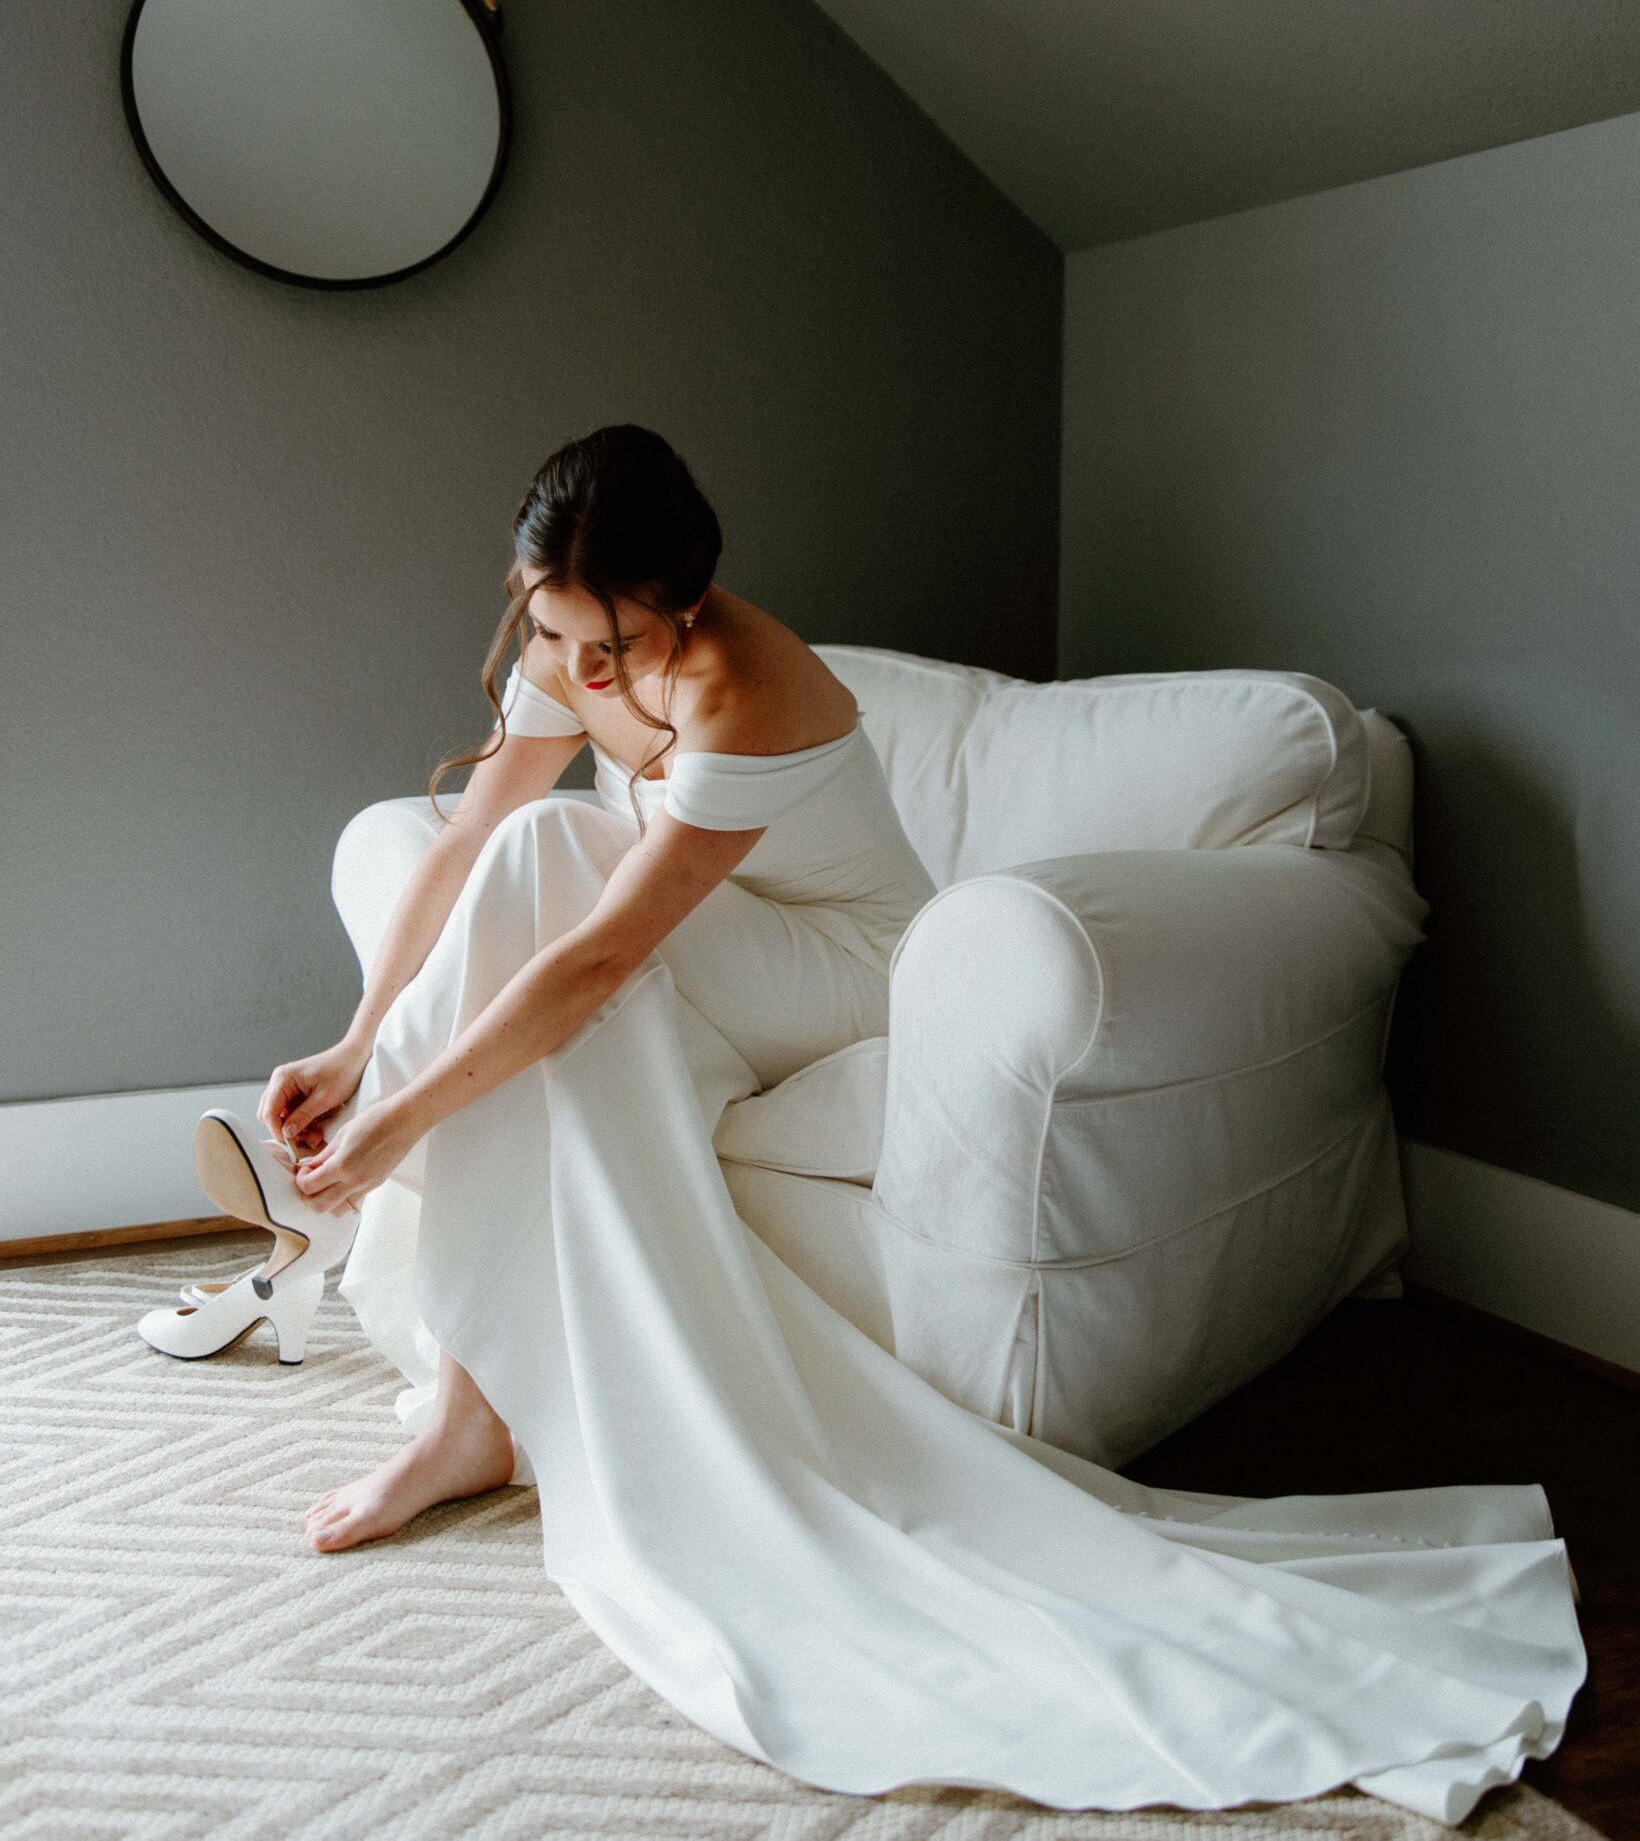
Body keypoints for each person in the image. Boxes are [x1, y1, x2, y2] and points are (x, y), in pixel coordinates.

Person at [245, 425, 1581, 1825]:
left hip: (847, 978)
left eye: (615, 643)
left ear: (683, 605)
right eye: (554, 629)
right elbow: (462, 841)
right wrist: (353, 1038)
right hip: (719, 949)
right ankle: (470, 1398)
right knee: (529, 846)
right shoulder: (571, 636)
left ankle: (367, 1269)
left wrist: (394, 1116)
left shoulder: (741, 685)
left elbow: (596, 961)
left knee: (563, 903)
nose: (584, 675)